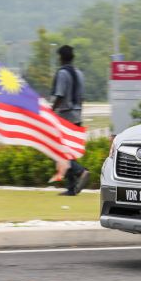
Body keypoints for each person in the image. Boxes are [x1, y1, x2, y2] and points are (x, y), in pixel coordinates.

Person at [51, 45, 89, 196]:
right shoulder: (79, 73)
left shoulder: (62, 73)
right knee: (70, 152)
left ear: (61, 57)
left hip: (65, 116)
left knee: (60, 152)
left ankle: (81, 172)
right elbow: (82, 98)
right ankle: (72, 188)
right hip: (77, 115)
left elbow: (60, 95)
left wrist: (51, 111)